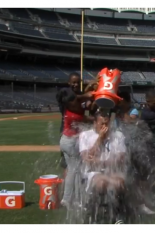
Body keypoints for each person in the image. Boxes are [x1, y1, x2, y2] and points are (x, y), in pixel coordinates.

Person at [79, 111, 127, 224]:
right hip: (93, 172)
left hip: (112, 170)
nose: (105, 127)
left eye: (107, 123)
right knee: (102, 183)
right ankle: (94, 212)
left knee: (119, 182)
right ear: (95, 123)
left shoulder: (118, 135)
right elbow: (87, 159)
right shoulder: (86, 135)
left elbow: (120, 158)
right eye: (102, 124)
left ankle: (118, 215)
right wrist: (100, 139)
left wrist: (100, 161)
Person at [57, 72, 93, 208]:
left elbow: (83, 103)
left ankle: (69, 198)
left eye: (78, 82)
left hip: (67, 139)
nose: (76, 84)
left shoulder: (70, 105)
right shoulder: (68, 98)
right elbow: (85, 117)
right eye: (73, 82)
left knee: (73, 169)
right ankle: (71, 199)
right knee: (74, 169)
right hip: (71, 141)